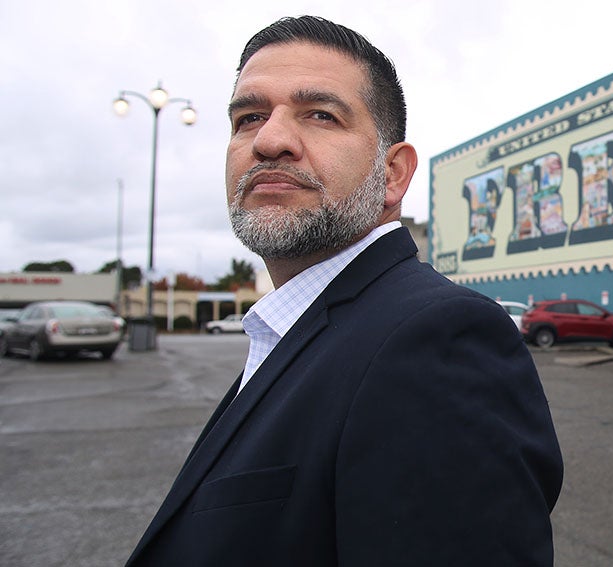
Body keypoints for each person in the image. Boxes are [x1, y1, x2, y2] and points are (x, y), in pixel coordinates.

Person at [125, 16, 563, 566]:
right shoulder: (294, 330)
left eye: (321, 115)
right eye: (249, 117)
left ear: (393, 175)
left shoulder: (435, 342)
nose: (270, 140)